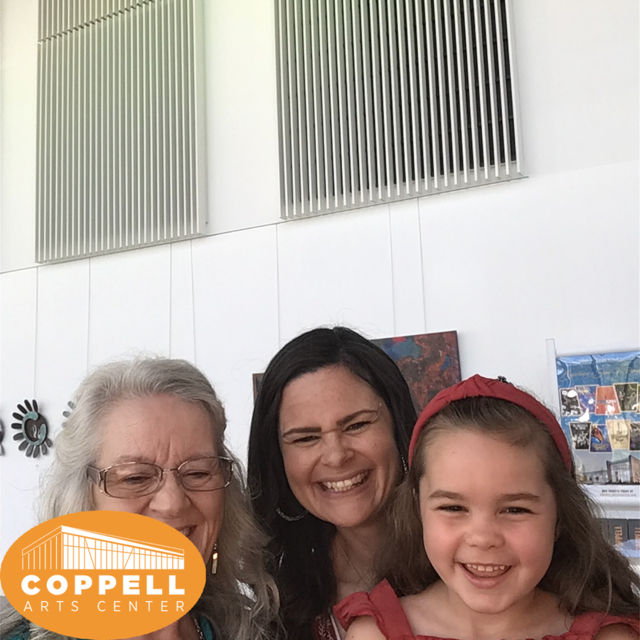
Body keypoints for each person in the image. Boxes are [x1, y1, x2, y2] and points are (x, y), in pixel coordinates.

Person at [336, 375, 640, 640]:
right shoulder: (375, 634)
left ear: (559, 517)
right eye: (453, 508)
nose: (482, 537)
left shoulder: (609, 636)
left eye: (515, 510)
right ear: (418, 510)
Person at [1, 357, 279, 640]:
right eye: (135, 478)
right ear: (83, 500)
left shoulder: (247, 631)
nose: (172, 503)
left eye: (198, 473)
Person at [247, 326, 418, 640]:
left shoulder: (468, 564)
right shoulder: (274, 604)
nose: (336, 456)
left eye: (357, 425)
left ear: (398, 426)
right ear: (278, 460)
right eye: (306, 438)